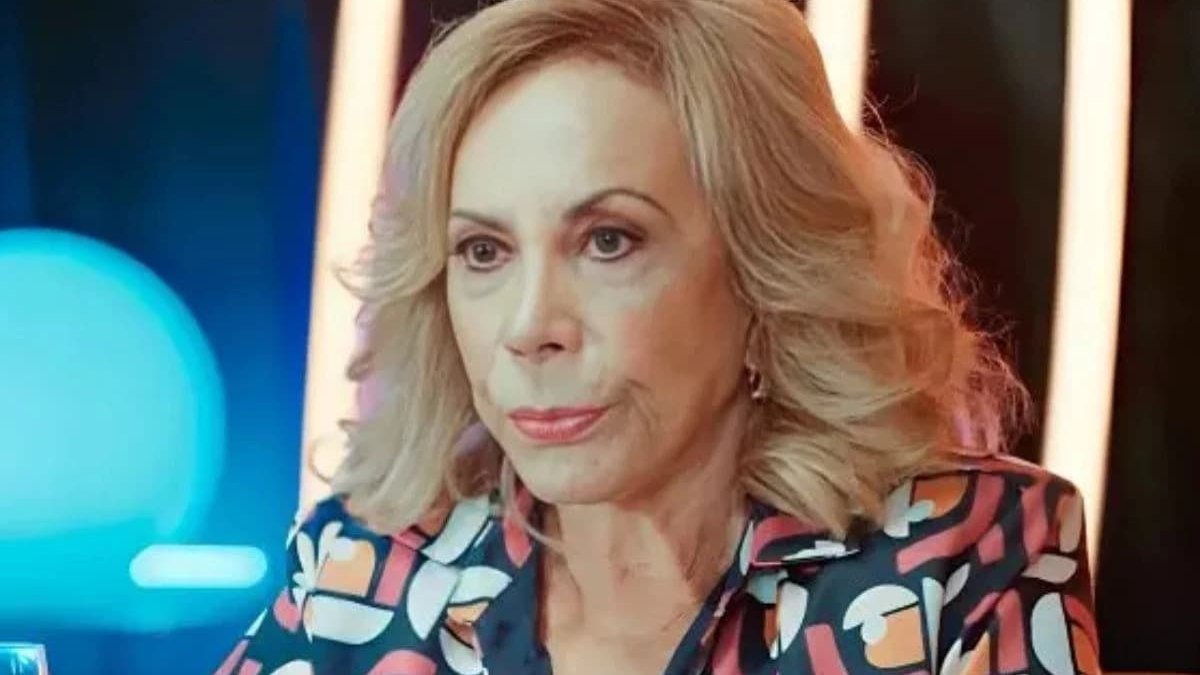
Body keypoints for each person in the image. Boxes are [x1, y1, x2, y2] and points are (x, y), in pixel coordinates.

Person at [215, 0, 1098, 673]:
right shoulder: (363, 568)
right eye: (484, 251)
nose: (529, 328)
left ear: (762, 271)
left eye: (609, 240)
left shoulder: (960, 557)